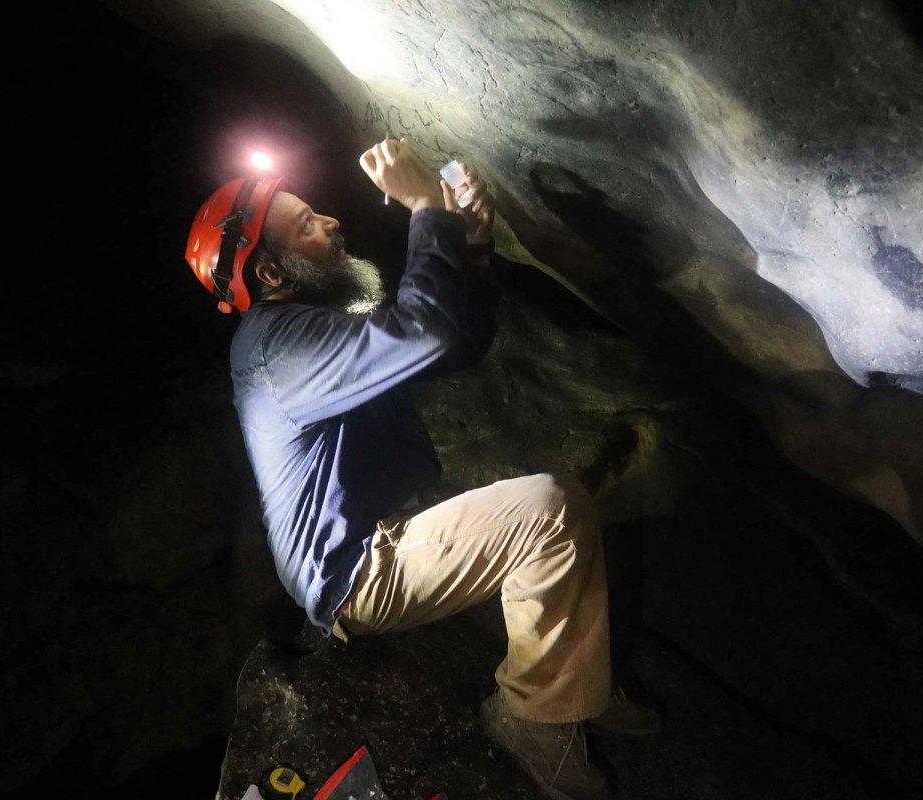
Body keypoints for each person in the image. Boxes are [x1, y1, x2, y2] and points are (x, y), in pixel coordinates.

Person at [184, 138, 657, 800]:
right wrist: (421, 206)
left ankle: (581, 685)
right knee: (549, 510)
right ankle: (535, 725)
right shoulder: (276, 351)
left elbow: (452, 347)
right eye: (306, 225)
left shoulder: (317, 328)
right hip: (354, 573)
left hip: (384, 531)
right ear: (271, 274)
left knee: (549, 504)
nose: (331, 222)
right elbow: (425, 329)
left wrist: (474, 251)